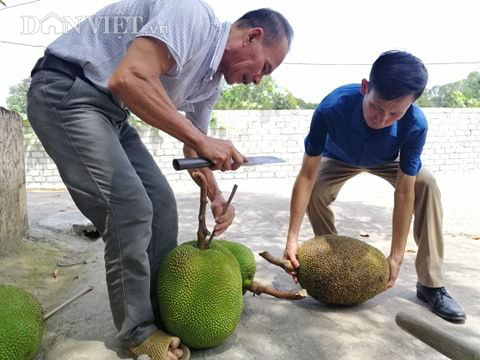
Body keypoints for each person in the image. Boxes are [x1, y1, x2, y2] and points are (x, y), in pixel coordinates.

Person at [26, 0, 293, 358]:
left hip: (112, 113)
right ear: (253, 37)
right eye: (265, 68)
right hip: (66, 90)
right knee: (129, 209)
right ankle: (136, 331)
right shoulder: (192, 15)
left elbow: (195, 152)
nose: (259, 80)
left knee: (162, 204)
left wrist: (214, 193)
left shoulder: (211, 83)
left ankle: (159, 309)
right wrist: (202, 140)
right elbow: (130, 76)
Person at [283, 50, 466, 324]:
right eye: (376, 107)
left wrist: (396, 256)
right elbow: (307, 175)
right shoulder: (331, 107)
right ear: (365, 87)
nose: (382, 120)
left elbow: (404, 192)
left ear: (412, 104)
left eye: (395, 113)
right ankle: (334, 264)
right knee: (316, 189)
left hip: (387, 160)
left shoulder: (416, 125)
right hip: (339, 157)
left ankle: (431, 284)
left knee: (426, 185)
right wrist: (292, 238)